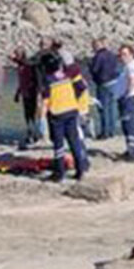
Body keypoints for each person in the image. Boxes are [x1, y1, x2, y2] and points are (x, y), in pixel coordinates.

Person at [39, 52, 89, 182]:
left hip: (57, 114)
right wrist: (75, 100)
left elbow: (45, 100)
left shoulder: (47, 80)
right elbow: (81, 87)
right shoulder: (68, 75)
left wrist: (41, 118)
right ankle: (81, 170)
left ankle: (59, 173)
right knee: (74, 142)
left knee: (58, 145)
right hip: (72, 110)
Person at [116, 45, 134, 161]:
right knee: (128, 124)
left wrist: (128, 92)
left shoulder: (132, 66)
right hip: (127, 97)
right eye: (121, 54)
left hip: (128, 99)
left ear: (132, 54)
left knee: (129, 124)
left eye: (125, 54)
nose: (122, 57)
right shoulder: (128, 66)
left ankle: (133, 152)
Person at [89, 37, 119, 140]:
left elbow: (95, 69)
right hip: (114, 82)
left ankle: (105, 132)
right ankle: (112, 131)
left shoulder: (98, 56)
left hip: (103, 83)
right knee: (112, 108)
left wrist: (90, 66)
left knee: (103, 108)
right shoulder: (112, 55)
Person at [12, 47, 40, 147]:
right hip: (25, 92)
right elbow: (21, 82)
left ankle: (33, 135)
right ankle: (32, 134)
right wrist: (18, 93)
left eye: (17, 54)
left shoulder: (26, 66)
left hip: (30, 92)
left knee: (31, 114)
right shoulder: (21, 66)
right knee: (28, 115)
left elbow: (29, 80)